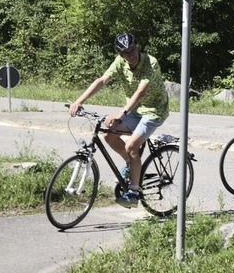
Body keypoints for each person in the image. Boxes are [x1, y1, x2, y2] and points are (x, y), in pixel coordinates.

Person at [68, 33, 169, 208]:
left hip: (154, 111)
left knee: (131, 146)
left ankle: (133, 192)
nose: (132, 54)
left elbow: (141, 92)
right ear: (120, 54)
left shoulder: (150, 62)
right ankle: (131, 163)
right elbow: (102, 80)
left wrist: (121, 113)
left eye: (133, 49)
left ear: (137, 46)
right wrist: (79, 101)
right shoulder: (119, 62)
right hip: (135, 109)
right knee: (108, 134)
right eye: (127, 52)